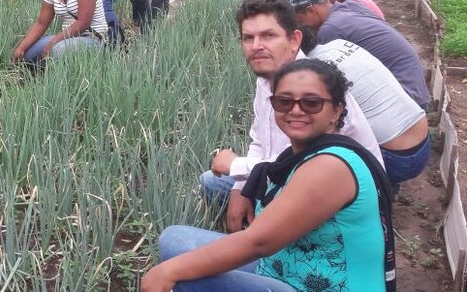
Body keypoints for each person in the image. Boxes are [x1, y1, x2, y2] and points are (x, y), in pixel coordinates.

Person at [144, 59, 392, 292]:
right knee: (174, 240)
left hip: (319, 285)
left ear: (336, 111)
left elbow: (258, 242)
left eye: (311, 103)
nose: (296, 110)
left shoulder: (331, 166)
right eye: (284, 102)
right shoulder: (302, 154)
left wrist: (168, 271)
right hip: (286, 269)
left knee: (187, 278)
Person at [206, 0, 382, 233]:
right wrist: (241, 188)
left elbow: (296, 169)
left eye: (268, 36)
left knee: (178, 242)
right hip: (288, 179)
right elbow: (260, 141)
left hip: (330, 203)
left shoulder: (312, 89)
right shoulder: (267, 80)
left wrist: (235, 165)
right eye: (248, 37)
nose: (256, 45)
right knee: (211, 182)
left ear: (294, 40)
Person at [301, 32, 430, 186]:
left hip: (393, 158)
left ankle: (373, 193)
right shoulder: (339, 44)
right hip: (423, 142)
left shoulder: (313, 72)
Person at [287, 0, 431, 110]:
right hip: (417, 89)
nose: (299, 28)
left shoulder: (330, 30)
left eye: (298, 21)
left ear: (311, 11)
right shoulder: (350, 6)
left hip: (406, 100)